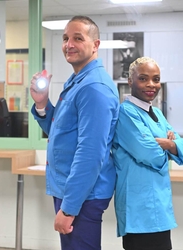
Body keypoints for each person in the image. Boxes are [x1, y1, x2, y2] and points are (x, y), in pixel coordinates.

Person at [29, 16, 119, 250]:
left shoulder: (93, 88)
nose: (69, 44)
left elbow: (90, 153)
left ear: (95, 44)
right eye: (66, 38)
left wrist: (69, 208)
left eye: (78, 38)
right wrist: (42, 104)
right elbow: (61, 134)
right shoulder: (78, 81)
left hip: (82, 194)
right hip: (73, 189)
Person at [112, 57, 183, 250]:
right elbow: (148, 153)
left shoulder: (157, 114)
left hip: (159, 205)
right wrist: (168, 147)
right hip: (138, 207)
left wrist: (169, 144)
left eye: (156, 79)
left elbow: (181, 144)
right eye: (143, 78)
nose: (151, 85)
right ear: (130, 81)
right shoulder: (125, 113)